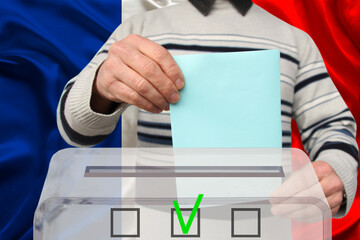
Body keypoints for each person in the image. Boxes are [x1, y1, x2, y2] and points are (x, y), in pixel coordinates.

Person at [57, 0, 358, 217]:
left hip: (262, 224)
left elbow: (333, 125)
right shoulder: (138, 29)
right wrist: (101, 86)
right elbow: (76, 129)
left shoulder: (296, 41)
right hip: (156, 223)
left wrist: (336, 171)